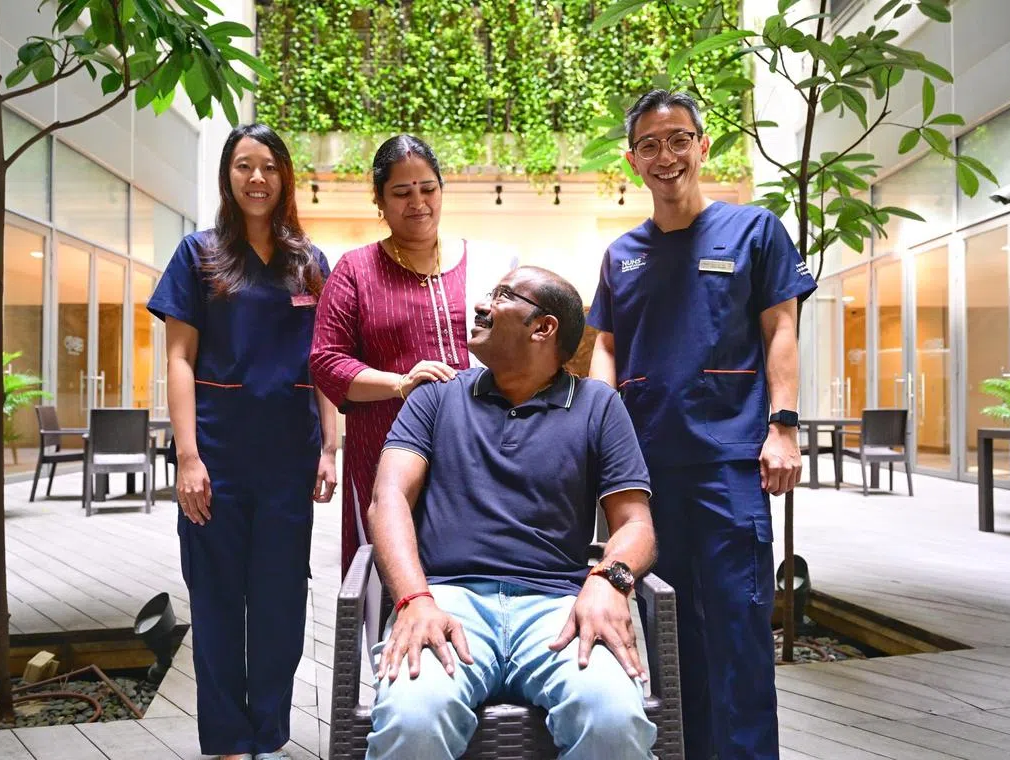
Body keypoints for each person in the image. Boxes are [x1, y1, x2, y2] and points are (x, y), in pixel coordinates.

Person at [587, 89, 817, 760]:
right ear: (633, 160)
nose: (666, 155)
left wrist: (783, 426)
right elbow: (606, 345)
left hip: (727, 467)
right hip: (643, 477)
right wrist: (598, 434)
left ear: (703, 146)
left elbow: (781, 331)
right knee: (666, 633)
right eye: (651, 145)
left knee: (738, 633)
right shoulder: (621, 254)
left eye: (679, 139)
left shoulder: (756, 232)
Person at [365, 266, 659, 760]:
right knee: (413, 718)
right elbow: (387, 499)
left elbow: (635, 525)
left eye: (502, 296)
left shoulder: (598, 406)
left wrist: (609, 581)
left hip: (556, 611)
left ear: (543, 328)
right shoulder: (436, 395)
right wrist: (414, 599)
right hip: (447, 601)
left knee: (614, 719)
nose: (481, 304)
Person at [147, 124, 338, 760]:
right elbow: (178, 360)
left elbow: (325, 363)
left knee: (282, 606)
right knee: (221, 602)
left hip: (288, 460)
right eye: (243, 166)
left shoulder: (310, 263)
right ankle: (229, 742)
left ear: (285, 177)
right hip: (219, 461)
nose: (257, 179)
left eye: (269, 167)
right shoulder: (198, 256)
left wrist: (329, 448)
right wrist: (189, 458)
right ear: (227, 177)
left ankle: (268, 734)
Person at [310, 134, 515, 644]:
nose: (417, 202)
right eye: (401, 192)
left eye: (427, 188)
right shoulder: (355, 271)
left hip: (477, 459)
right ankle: (393, 694)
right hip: (383, 456)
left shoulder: (486, 265)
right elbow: (326, 362)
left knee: (474, 585)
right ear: (379, 201)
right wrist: (401, 383)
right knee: (390, 586)